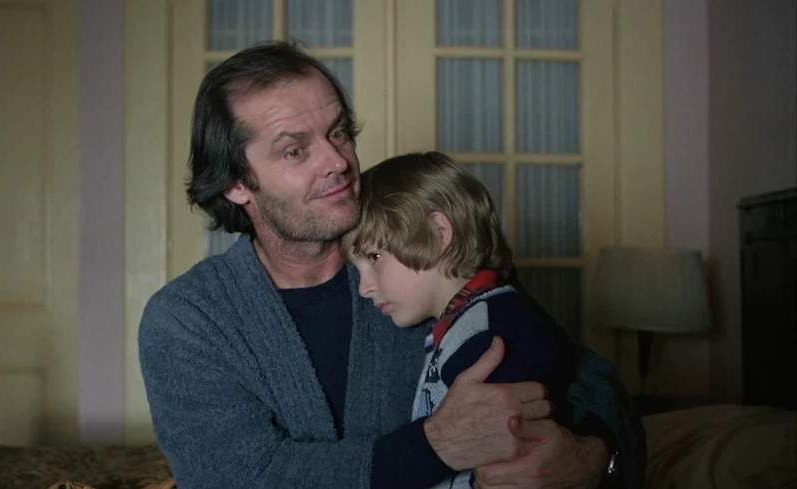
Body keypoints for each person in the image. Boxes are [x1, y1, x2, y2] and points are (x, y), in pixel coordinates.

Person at [138, 41, 645, 489]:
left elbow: (593, 383)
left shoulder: (426, 258)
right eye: (295, 150)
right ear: (235, 184)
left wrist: (593, 459)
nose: (338, 161)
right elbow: (236, 477)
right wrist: (437, 445)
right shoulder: (187, 319)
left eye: (338, 132)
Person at [341, 151, 579, 488]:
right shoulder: (469, 319)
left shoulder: (488, 330)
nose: (364, 287)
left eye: (374, 257)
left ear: (439, 233)